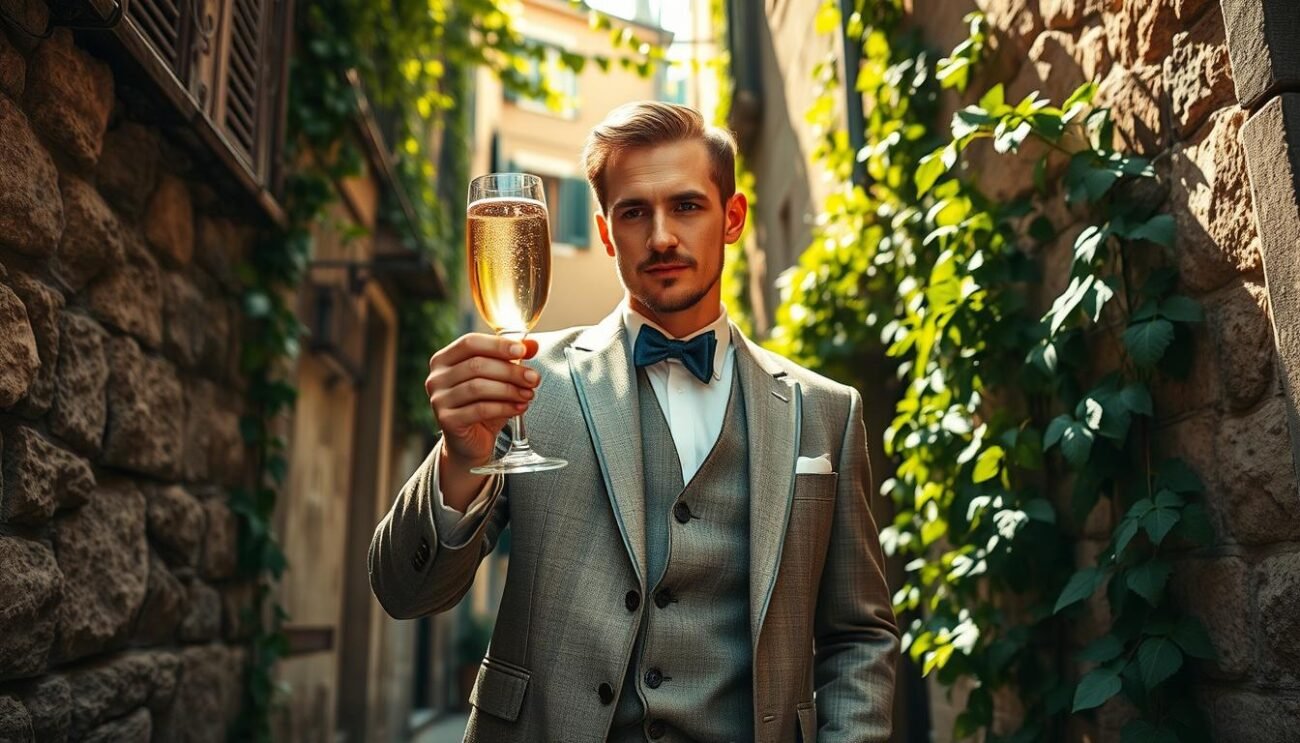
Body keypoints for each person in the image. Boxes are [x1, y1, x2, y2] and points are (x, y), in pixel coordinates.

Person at [369, 101, 898, 742]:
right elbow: (404, 591)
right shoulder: (529, 387)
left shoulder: (826, 413)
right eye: (634, 212)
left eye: (686, 206)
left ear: (731, 218)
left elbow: (859, 635)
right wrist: (458, 461)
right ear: (605, 232)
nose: (662, 237)